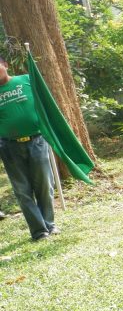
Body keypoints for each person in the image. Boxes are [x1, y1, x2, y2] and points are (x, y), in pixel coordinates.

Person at [0, 56, 57, 241]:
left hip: (37, 141)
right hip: (9, 147)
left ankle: (49, 225)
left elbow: (44, 102)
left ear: (5, 65)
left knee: (45, 185)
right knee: (22, 191)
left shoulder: (26, 80)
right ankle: (39, 232)